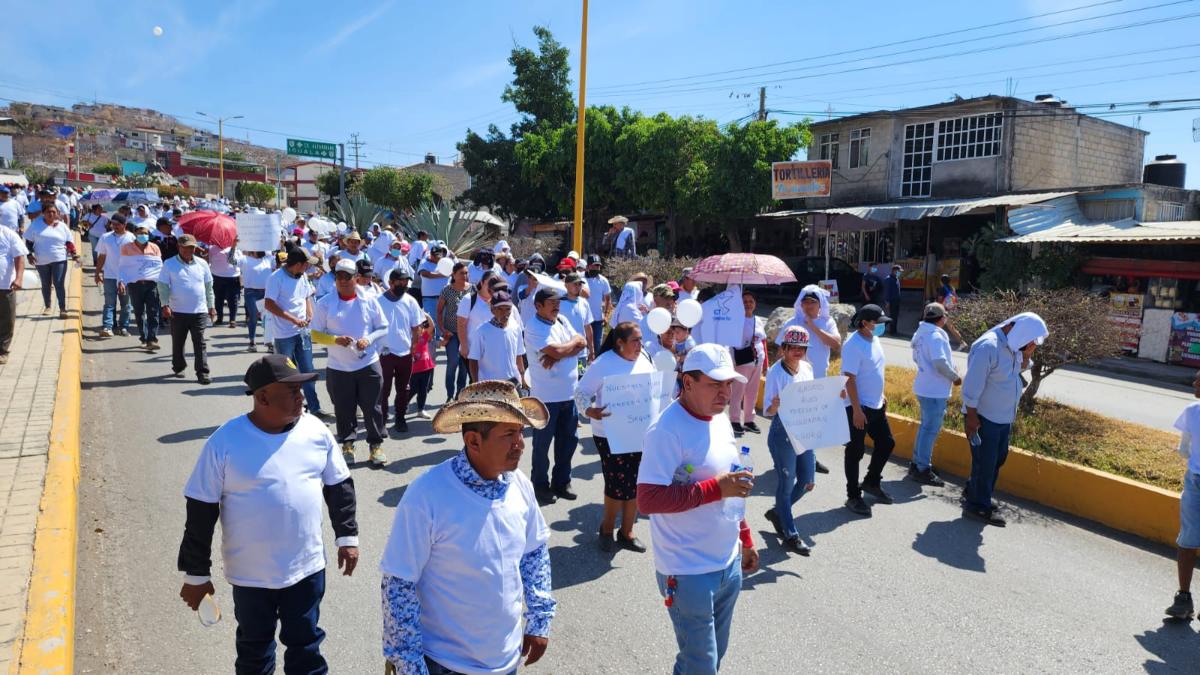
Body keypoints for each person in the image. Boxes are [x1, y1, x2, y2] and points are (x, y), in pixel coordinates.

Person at [177, 354, 358, 675]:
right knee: (254, 650)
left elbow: (339, 485)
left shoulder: (315, 430)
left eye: (301, 389)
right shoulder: (225, 442)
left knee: (306, 646)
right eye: (291, 391)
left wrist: (347, 536)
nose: (301, 397)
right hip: (251, 576)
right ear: (261, 397)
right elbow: (200, 512)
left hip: (306, 569)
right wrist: (196, 576)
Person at [380, 380, 555, 674]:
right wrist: (410, 666)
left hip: (506, 660)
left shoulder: (519, 485)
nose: (521, 444)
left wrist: (540, 619)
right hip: (445, 663)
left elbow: (534, 553)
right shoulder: (427, 494)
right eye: (509, 434)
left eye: (521, 432)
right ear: (473, 441)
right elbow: (398, 585)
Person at [637, 344, 759, 674]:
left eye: (728, 384)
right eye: (715, 384)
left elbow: (732, 486)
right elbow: (648, 499)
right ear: (687, 382)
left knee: (710, 658)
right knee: (700, 665)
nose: (725, 393)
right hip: (686, 569)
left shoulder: (719, 420)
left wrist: (745, 539)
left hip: (726, 563)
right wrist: (716, 487)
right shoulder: (666, 430)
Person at [960, 312, 1049, 526]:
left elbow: (1016, 369)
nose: (1031, 344)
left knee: (997, 458)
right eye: (1030, 339)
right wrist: (971, 418)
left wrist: (1027, 355)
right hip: (984, 416)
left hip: (1003, 417)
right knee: (986, 462)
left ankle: (974, 491)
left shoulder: (1013, 345)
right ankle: (978, 506)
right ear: (1019, 330)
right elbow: (971, 386)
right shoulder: (988, 347)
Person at [575, 321, 653, 552]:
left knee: (636, 483)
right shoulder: (603, 363)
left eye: (641, 340)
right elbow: (581, 393)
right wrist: (589, 411)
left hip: (639, 433)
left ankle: (627, 532)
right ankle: (607, 530)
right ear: (620, 343)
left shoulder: (645, 359)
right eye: (635, 340)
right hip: (609, 435)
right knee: (617, 484)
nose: (640, 344)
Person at [312, 258, 390, 467]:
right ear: (335, 279)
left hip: (368, 363)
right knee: (343, 408)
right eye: (339, 276)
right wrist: (334, 340)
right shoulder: (325, 303)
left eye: (348, 276)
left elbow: (383, 327)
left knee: (372, 407)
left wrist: (369, 339)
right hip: (338, 367)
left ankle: (376, 446)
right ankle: (347, 444)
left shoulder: (370, 299)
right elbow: (315, 335)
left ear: (356, 278)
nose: (343, 280)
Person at [524, 287, 586, 505]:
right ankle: (539, 485)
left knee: (568, 442)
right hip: (545, 398)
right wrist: (564, 351)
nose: (556, 306)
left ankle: (562, 482)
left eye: (558, 302)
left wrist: (559, 354)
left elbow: (582, 341)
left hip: (569, 395)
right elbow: (565, 348)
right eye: (551, 303)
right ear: (538, 305)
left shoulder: (561, 321)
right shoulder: (533, 327)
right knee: (542, 445)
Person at [762, 326, 816, 555]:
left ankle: (778, 513)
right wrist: (774, 405)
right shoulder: (776, 372)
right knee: (786, 484)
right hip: (782, 432)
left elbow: (812, 398)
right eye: (792, 347)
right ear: (783, 349)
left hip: (803, 430)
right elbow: (767, 411)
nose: (797, 351)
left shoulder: (807, 368)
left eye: (802, 347)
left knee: (807, 481)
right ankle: (790, 533)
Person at [775, 285, 840, 475]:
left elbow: (835, 344)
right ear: (800, 304)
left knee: (812, 422)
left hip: (818, 379)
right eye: (805, 302)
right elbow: (780, 350)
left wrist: (812, 326)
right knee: (793, 421)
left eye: (813, 302)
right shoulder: (793, 322)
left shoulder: (828, 322)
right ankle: (789, 458)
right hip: (795, 380)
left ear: (820, 305)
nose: (809, 305)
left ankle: (809, 457)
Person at [841, 304, 896, 517]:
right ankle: (853, 496)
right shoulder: (853, 345)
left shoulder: (875, 339)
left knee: (887, 442)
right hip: (858, 407)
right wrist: (856, 409)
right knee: (855, 451)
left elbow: (875, 371)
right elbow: (849, 379)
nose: (881, 326)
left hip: (876, 405)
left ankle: (872, 482)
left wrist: (881, 397)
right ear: (864, 323)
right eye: (877, 322)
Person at [265, 249, 326, 416]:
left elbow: (305, 296)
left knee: (308, 369)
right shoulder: (276, 278)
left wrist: (310, 313)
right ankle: (288, 408)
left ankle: (314, 408)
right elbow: (269, 304)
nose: (309, 268)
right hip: (284, 334)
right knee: (287, 374)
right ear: (299, 264)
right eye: (307, 264)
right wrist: (292, 319)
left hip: (303, 331)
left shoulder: (302, 276)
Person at [909, 302, 961, 487]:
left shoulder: (921, 333)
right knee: (930, 430)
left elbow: (917, 358)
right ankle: (923, 468)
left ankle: (917, 463)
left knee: (925, 428)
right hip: (935, 390)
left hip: (924, 386)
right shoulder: (936, 335)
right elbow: (939, 362)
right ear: (942, 318)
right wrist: (954, 377)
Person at [158, 235, 216, 385]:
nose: (188, 250)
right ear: (179, 247)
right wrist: (165, 305)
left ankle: (202, 372)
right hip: (177, 311)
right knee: (178, 341)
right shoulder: (169, 264)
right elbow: (163, 286)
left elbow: (209, 287)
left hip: (199, 311)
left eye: (191, 247)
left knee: (200, 342)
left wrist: (212, 306)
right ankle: (179, 367)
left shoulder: (202, 264)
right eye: (185, 247)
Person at [1166, 369, 1200, 620]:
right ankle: (1183, 597)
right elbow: (1185, 448)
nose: (1195, 382)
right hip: (1195, 481)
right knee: (1187, 539)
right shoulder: (1191, 412)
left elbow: (1185, 449)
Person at [377, 268, 424, 433]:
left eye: (406, 281)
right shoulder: (378, 301)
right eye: (400, 281)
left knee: (404, 389)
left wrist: (413, 347)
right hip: (385, 353)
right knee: (384, 389)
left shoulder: (410, 301)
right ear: (390, 282)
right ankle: (381, 421)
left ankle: (400, 418)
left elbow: (416, 326)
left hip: (405, 353)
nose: (404, 284)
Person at [118, 224, 164, 351]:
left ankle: (152, 339)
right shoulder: (126, 248)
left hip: (152, 285)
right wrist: (121, 281)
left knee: (153, 312)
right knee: (139, 313)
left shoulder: (155, 248)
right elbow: (123, 267)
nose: (143, 235)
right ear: (135, 234)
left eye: (146, 233)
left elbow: (158, 267)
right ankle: (143, 337)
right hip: (135, 285)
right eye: (140, 233)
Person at [26, 204, 77, 317]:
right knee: (46, 284)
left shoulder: (62, 226)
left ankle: (62, 308)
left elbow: (69, 242)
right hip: (41, 260)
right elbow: (28, 242)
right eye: (48, 212)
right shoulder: (36, 225)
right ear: (43, 213)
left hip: (59, 259)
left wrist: (74, 254)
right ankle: (48, 306)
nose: (51, 214)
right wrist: (29, 255)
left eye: (54, 212)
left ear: (58, 213)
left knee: (59, 283)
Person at [468, 289, 526, 386]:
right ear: (492, 310)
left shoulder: (516, 328)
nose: (505, 313)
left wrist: (523, 378)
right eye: (500, 309)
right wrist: (476, 384)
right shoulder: (481, 331)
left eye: (508, 309)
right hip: (489, 385)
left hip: (513, 383)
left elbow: (518, 355)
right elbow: (473, 360)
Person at [729, 290, 766, 436]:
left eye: (751, 301)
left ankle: (749, 420)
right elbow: (731, 342)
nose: (748, 304)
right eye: (745, 302)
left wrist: (766, 363)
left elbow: (763, 342)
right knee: (738, 391)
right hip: (743, 360)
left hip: (758, 360)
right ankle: (735, 420)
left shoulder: (759, 320)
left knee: (752, 392)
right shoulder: (736, 321)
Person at [95, 212, 134, 337]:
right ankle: (108, 327)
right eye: (113, 224)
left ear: (125, 225)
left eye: (118, 224)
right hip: (110, 276)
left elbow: (136, 259)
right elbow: (102, 256)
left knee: (126, 304)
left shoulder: (132, 238)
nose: (115, 226)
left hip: (127, 277)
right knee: (109, 303)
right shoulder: (105, 237)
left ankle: (124, 327)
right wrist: (97, 273)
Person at [436, 261, 470, 400]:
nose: (465, 275)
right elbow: (439, 311)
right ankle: (449, 394)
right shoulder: (447, 290)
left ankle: (460, 395)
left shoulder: (472, 289)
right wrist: (443, 329)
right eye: (461, 273)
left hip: (467, 334)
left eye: (466, 273)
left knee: (463, 366)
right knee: (453, 362)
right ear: (454, 275)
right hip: (451, 333)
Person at [234, 245, 274, 352]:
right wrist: (233, 245)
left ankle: (270, 343)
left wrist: (282, 244)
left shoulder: (269, 259)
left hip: (266, 293)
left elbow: (281, 260)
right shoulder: (245, 259)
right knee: (254, 317)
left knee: (268, 318)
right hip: (251, 293)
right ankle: (252, 341)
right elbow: (231, 260)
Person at [0, 224, 27, 365]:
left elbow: (19, 256)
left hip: (4, 285)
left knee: (6, 319)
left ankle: (2, 351)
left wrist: (19, 278)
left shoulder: (8, 234)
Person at [559, 272, 596, 363]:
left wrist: (592, 350)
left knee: (581, 376)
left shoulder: (584, 303)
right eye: (575, 284)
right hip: (564, 352)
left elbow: (588, 327)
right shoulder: (558, 303)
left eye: (580, 284)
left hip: (581, 353)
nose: (578, 287)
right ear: (566, 285)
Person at [418, 244, 449, 341]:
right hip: (430, 298)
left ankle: (438, 340)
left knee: (443, 321)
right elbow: (425, 273)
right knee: (431, 321)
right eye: (433, 255)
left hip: (444, 298)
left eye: (437, 256)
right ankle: (431, 345)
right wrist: (442, 275)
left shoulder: (446, 263)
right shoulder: (424, 262)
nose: (434, 257)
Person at [408, 315, 436, 422]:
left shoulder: (424, 336)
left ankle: (421, 410)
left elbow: (432, 326)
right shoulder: (409, 339)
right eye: (416, 328)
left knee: (423, 390)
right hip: (414, 370)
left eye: (420, 327)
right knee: (412, 389)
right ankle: (405, 404)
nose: (419, 329)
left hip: (426, 367)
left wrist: (425, 315)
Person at [583, 254, 611, 348]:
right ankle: (581, 363)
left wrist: (606, 315)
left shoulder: (603, 281)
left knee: (597, 345)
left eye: (598, 266)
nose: (596, 268)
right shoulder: (580, 279)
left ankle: (594, 363)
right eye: (593, 265)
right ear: (588, 266)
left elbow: (608, 298)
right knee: (582, 346)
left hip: (597, 319)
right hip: (583, 319)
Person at [884, 264, 902, 335]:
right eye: (898, 271)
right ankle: (892, 331)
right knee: (893, 316)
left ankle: (894, 330)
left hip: (897, 300)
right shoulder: (888, 279)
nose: (900, 273)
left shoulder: (896, 278)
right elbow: (886, 292)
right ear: (894, 271)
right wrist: (887, 302)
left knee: (895, 316)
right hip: (891, 301)